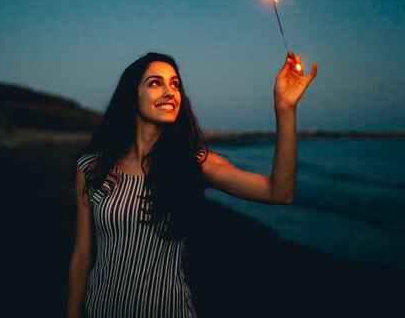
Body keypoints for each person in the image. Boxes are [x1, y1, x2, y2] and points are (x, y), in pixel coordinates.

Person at [67, 51, 317, 318]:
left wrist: (285, 109)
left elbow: (279, 192)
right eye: (155, 83)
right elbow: (82, 256)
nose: (169, 91)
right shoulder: (92, 167)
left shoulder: (193, 164)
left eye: (174, 84)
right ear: (131, 96)